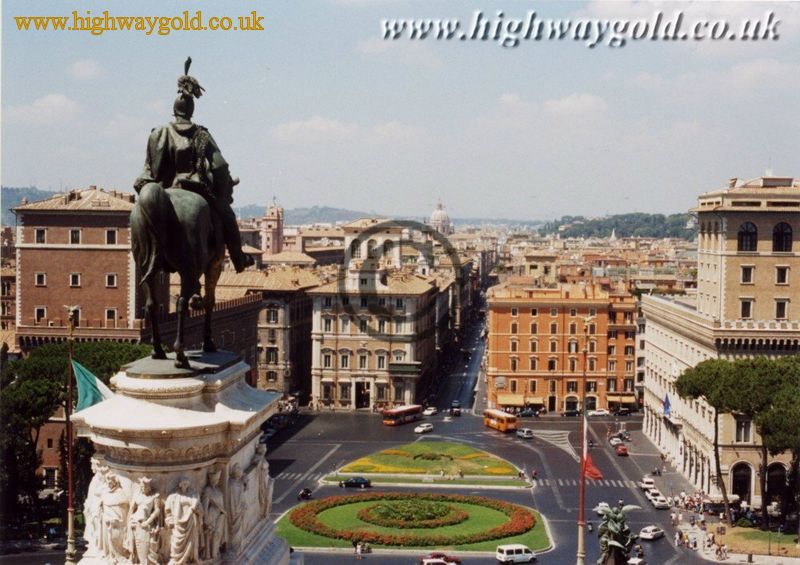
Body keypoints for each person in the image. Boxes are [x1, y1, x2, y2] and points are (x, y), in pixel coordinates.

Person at [134, 58, 255, 273]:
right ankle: (239, 258)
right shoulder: (201, 134)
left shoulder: (157, 133)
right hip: (194, 188)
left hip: (159, 188)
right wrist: (221, 191)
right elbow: (219, 166)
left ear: (174, 110)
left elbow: (149, 168)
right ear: (191, 110)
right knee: (227, 215)